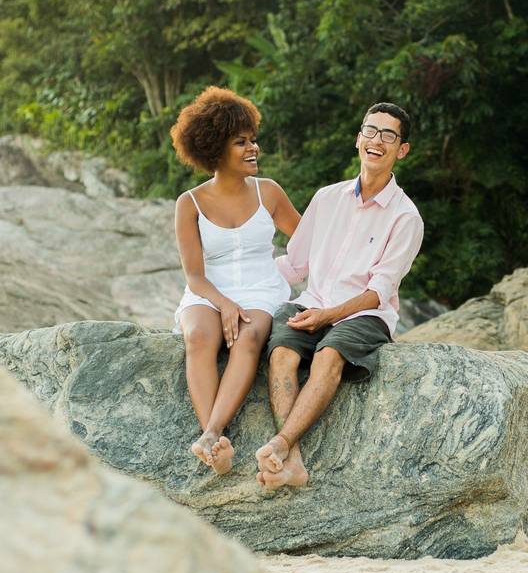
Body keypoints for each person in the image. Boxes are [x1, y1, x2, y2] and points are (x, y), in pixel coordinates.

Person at [254, 102, 424, 489]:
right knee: (281, 353)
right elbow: (293, 265)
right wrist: (233, 292)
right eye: (370, 130)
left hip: (365, 316)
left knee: (328, 355)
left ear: (402, 150)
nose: (376, 140)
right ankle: (291, 462)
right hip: (311, 303)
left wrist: (329, 316)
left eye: (388, 135)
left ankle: (280, 444)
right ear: (357, 138)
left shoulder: (405, 217)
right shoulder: (327, 198)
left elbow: (379, 292)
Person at [171, 86, 300, 475]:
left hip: (262, 288)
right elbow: (194, 275)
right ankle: (217, 446)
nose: (252, 148)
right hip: (209, 290)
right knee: (198, 337)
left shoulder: (269, 192)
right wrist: (225, 303)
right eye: (240, 142)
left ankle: (212, 435)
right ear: (213, 149)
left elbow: (310, 243)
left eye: (253, 140)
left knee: (247, 338)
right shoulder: (189, 203)